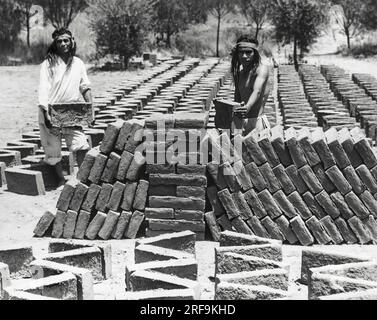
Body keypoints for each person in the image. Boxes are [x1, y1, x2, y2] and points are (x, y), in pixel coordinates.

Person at [38, 28, 92, 187]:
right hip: (50, 112)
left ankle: (82, 178)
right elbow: (43, 89)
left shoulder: (78, 63)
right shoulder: (48, 64)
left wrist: (91, 110)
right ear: (54, 44)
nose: (63, 44)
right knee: (53, 151)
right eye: (59, 41)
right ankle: (61, 180)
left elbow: (85, 87)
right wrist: (46, 113)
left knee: (81, 144)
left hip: (71, 113)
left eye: (66, 40)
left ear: (72, 41)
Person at [231, 35, 271, 136]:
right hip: (240, 123)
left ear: (255, 53)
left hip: (257, 122)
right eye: (241, 52)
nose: (244, 56)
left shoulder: (261, 70)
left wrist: (247, 107)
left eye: (248, 52)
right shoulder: (239, 73)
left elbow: (256, 91)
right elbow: (237, 99)